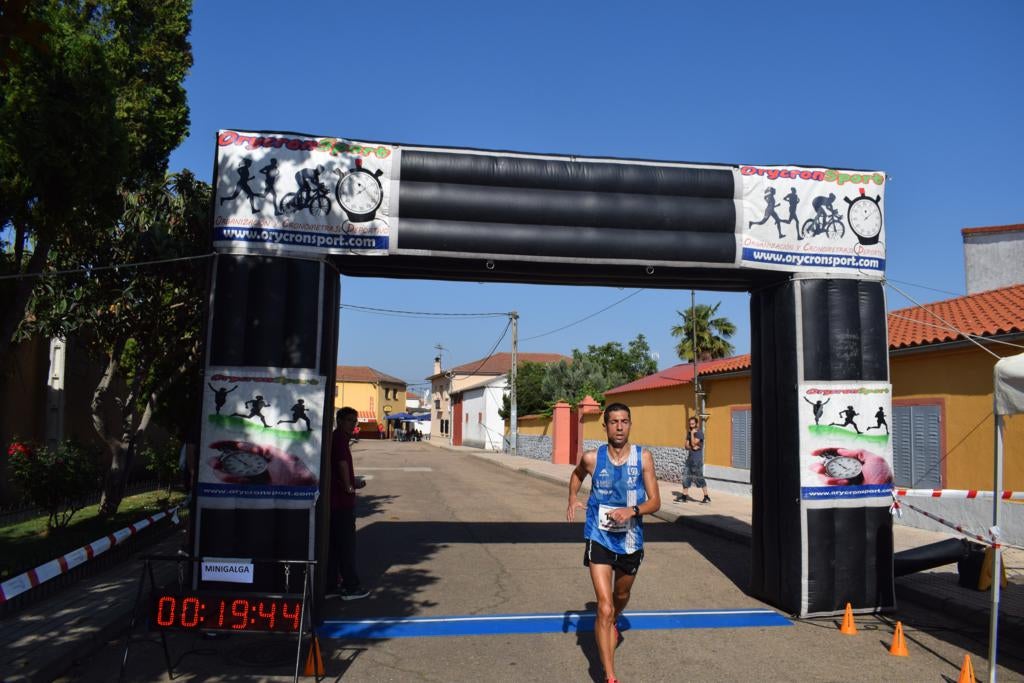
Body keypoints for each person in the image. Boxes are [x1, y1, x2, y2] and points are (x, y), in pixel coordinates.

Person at [567, 403, 660, 683]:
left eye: (624, 421)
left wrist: (632, 511)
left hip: (631, 539)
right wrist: (572, 498)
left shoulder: (643, 458)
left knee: (620, 598)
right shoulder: (592, 458)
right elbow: (576, 475)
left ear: (630, 425)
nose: (619, 426)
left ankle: (614, 619)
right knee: (604, 607)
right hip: (599, 535)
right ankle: (608, 676)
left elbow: (655, 502)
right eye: (614, 422)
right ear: (605, 426)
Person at [326, 407, 369, 600]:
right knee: (346, 546)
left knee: (334, 546)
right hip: (341, 502)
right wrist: (349, 486)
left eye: (355, 421)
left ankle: (330, 586)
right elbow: (342, 464)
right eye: (350, 420)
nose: (354, 424)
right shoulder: (341, 440)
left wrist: (353, 481)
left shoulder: (335, 438)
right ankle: (351, 587)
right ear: (340, 421)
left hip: (334, 502)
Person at [680, 416, 710, 504]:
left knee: (699, 478)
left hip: (697, 460)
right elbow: (686, 446)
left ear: (696, 424)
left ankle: (706, 496)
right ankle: (684, 496)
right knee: (686, 477)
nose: (691, 425)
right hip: (690, 459)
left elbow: (692, 443)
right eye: (690, 424)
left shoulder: (699, 433)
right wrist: (692, 445)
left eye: (693, 424)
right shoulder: (689, 433)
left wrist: (693, 435)